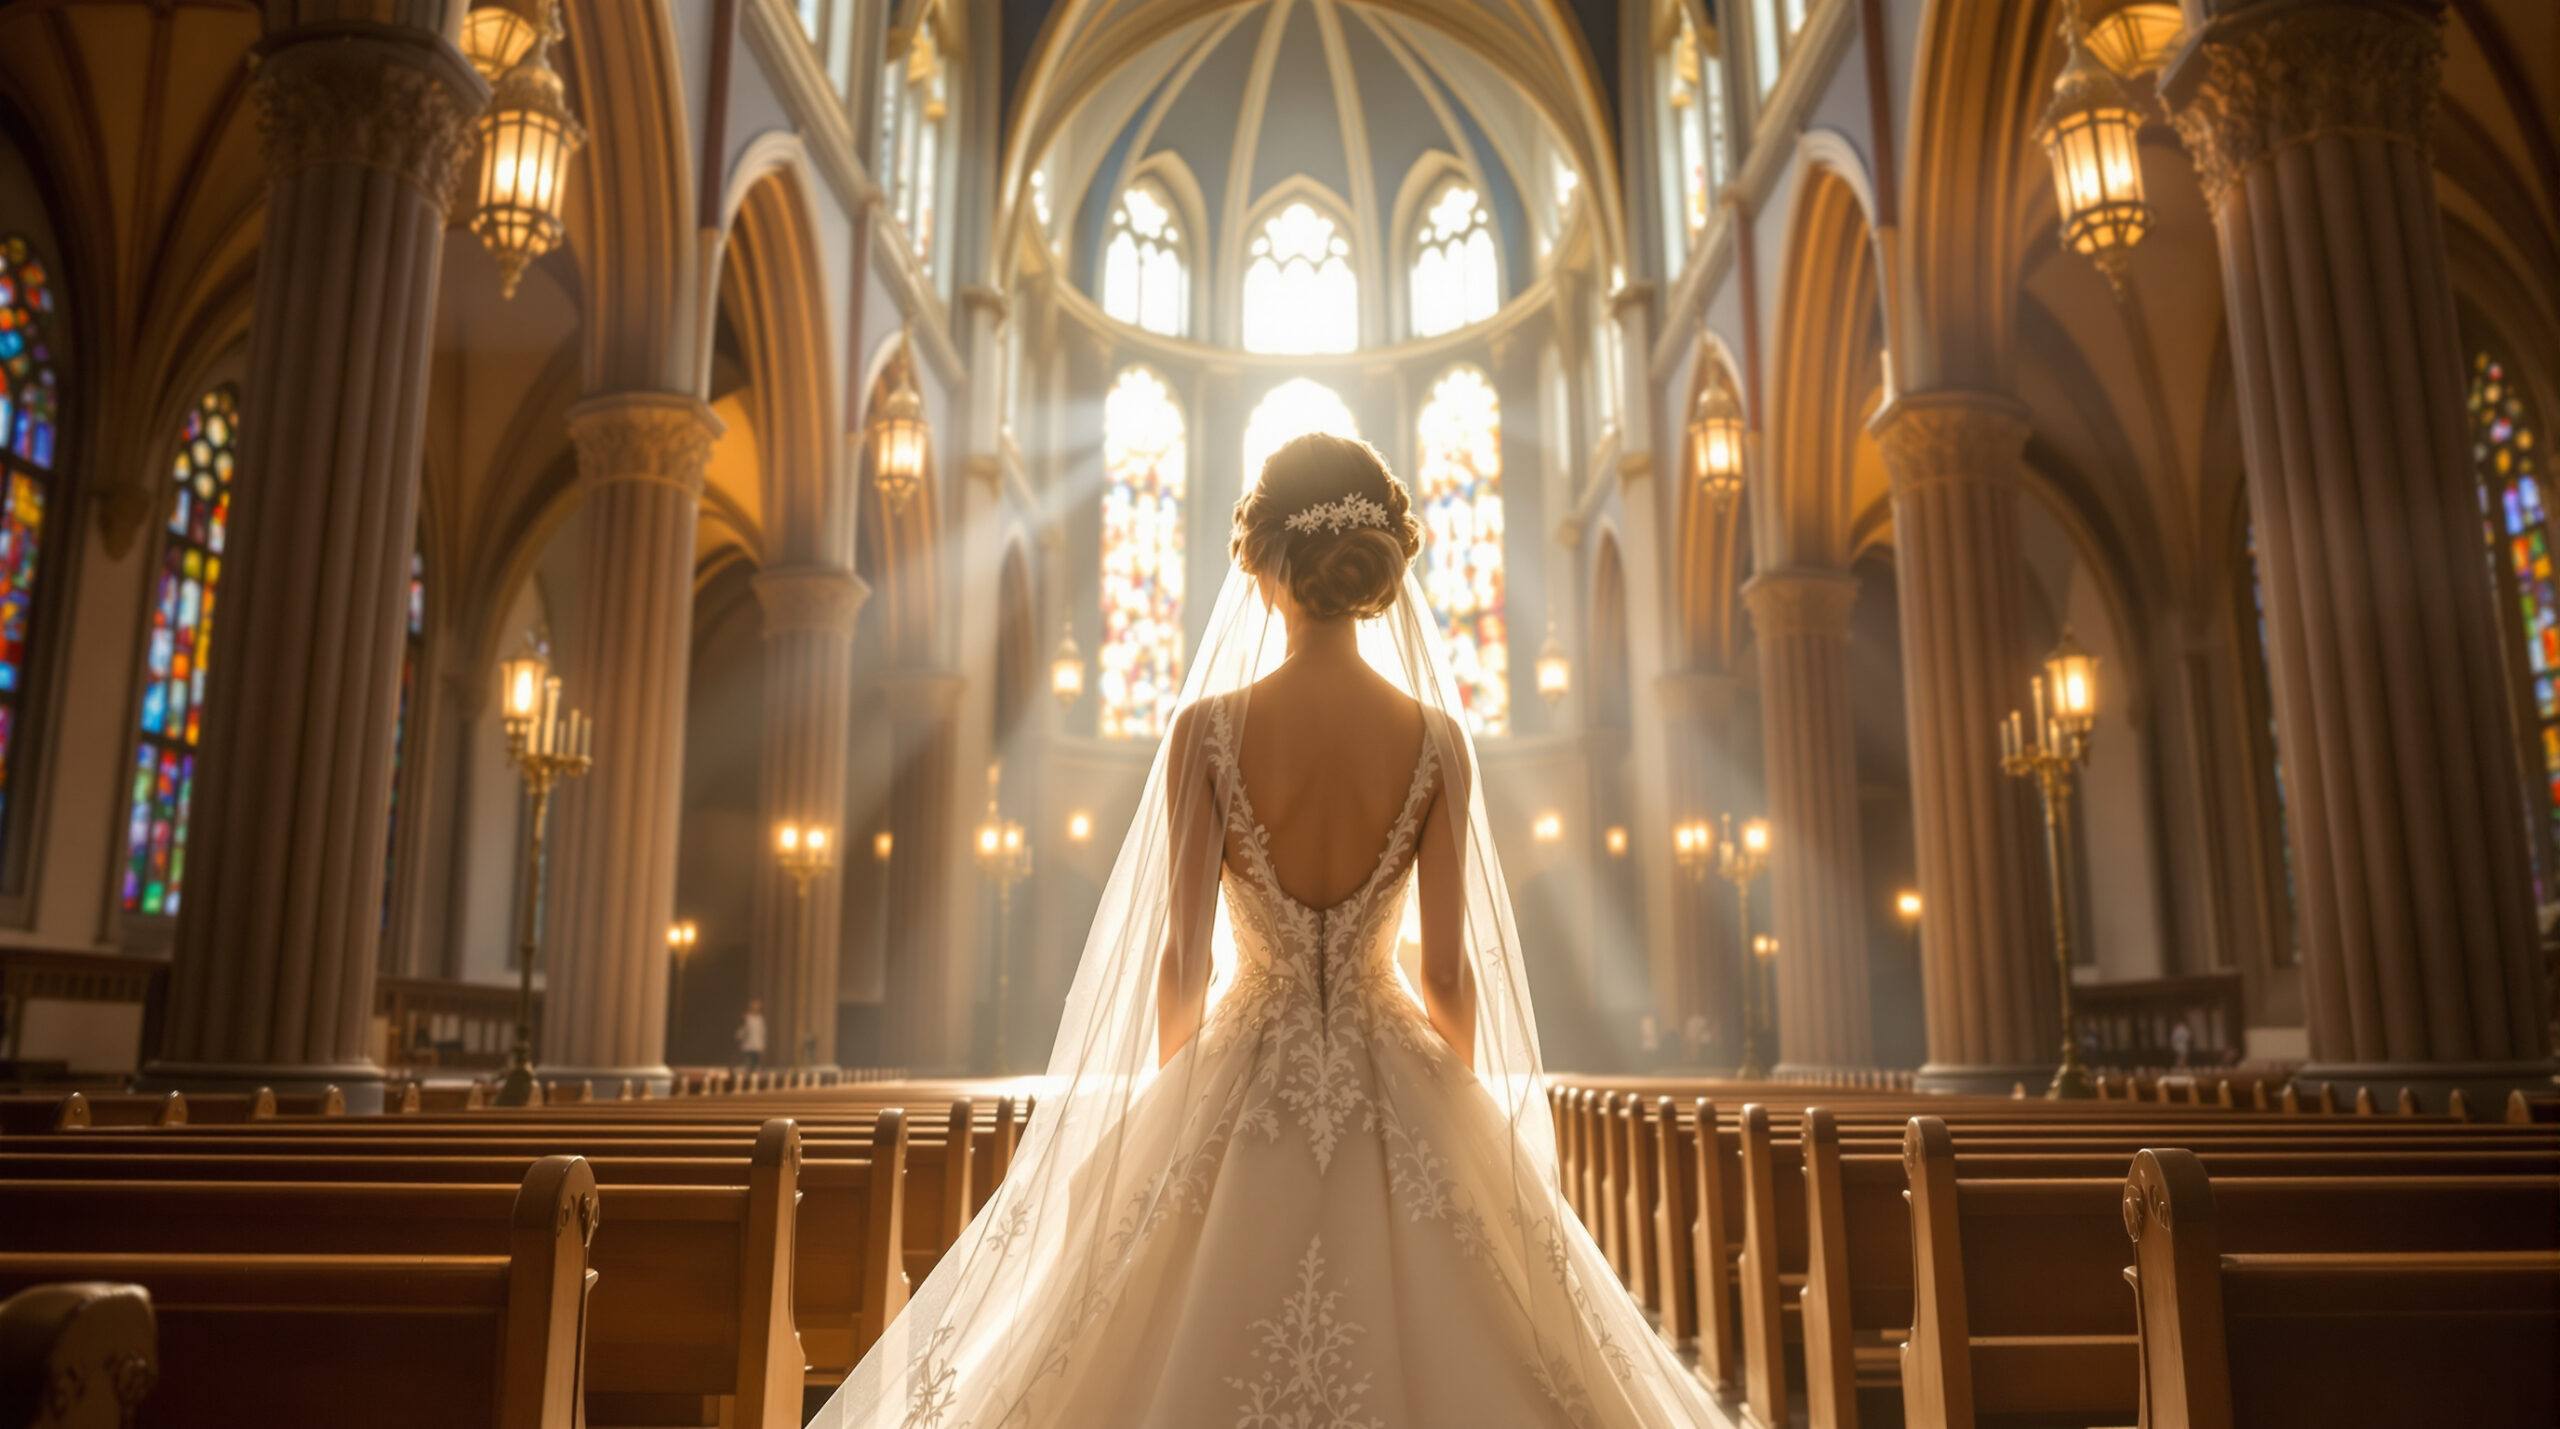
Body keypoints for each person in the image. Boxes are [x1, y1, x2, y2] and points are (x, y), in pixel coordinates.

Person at [815, 435, 1715, 1427]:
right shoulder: (1438, 741)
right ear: (1373, 562)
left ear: (1262, 558)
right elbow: (1449, 973)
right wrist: (1453, 1106)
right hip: (1393, 1056)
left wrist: (1177, 1105)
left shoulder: (1205, 729)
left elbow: (1182, 960)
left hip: (1242, 1059)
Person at [735, 999, 765, 1071]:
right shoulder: (746, 1018)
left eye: (757, 1007)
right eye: (754, 1007)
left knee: (755, 1063)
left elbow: (762, 1032)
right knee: (746, 1063)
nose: (756, 1009)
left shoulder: (760, 1019)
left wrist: (761, 1044)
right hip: (747, 1045)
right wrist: (740, 1036)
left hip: (756, 1045)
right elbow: (742, 1029)